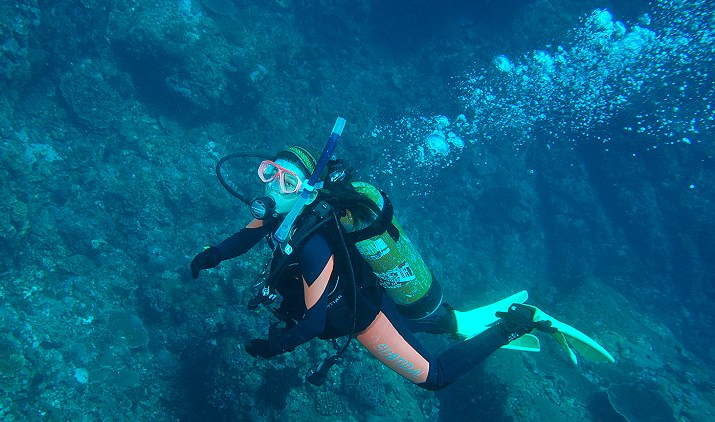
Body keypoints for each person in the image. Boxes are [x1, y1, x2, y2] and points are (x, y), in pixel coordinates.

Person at [190, 145, 611, 390]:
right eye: (270, 173)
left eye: (287, 182)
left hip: (362, 318)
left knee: (435, 377)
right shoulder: (279, 215)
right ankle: (476, 322)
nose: (272, 187)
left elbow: (315, 321)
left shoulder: (313, 244)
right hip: (366, 294)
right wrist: (213, 256)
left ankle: (516, 324)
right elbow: (245, 236)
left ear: (307, 194)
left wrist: (275, 348)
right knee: (449, 323)